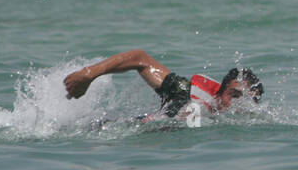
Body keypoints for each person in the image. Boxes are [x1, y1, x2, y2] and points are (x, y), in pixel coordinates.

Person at [64, 50, 263, 119]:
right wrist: (87, 75)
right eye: (234, 95)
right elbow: (139, 58)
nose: (238, 105)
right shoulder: (185, 92)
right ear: (220, 92)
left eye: (248, 100)